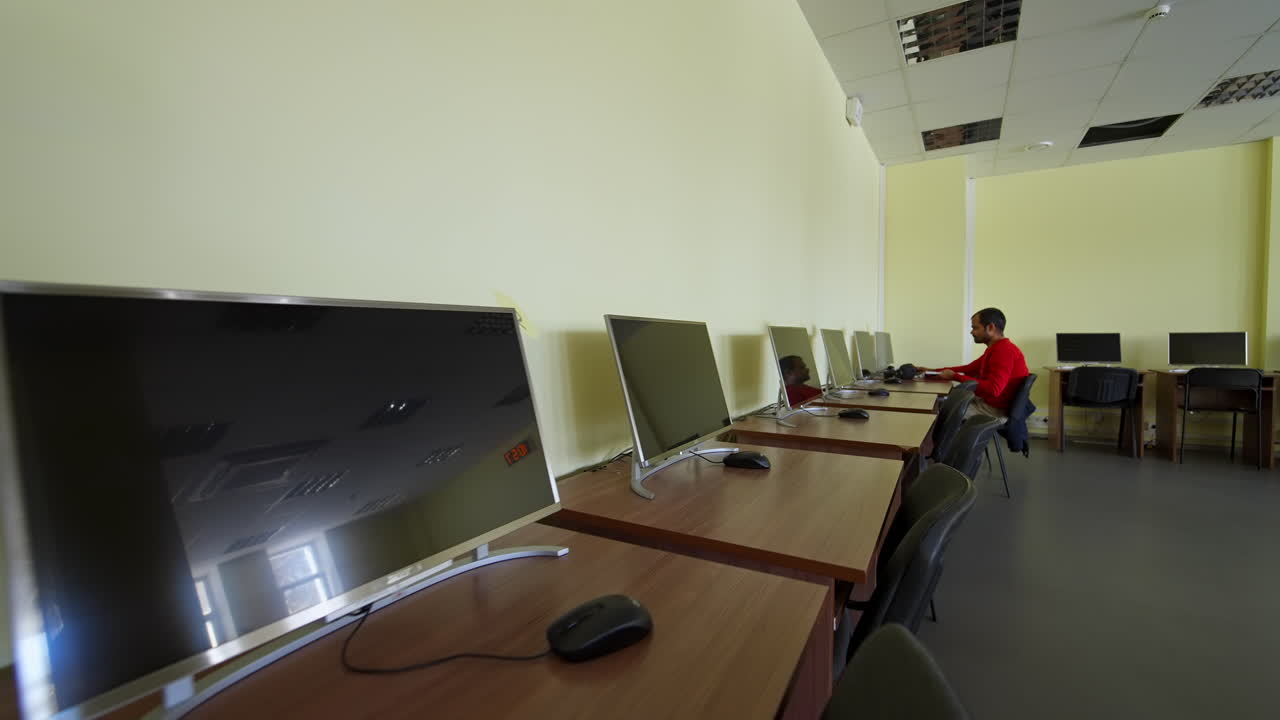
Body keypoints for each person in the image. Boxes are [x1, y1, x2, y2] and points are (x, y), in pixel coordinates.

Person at [922, 308, 1028, 422]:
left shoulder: (1003, 351)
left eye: (975, 328)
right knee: (940, 404)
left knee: (937, 412)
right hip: (987, 403)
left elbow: (994, 389)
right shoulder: (996, 349)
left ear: (990, 328)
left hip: (994, 410)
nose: (971, 332)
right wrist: (931, 370)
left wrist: (954, 376)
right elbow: (968, 369)